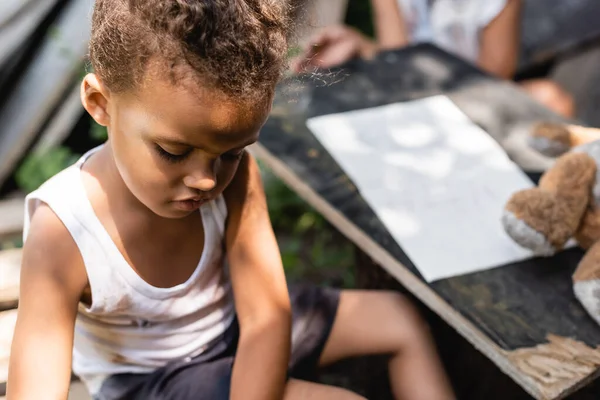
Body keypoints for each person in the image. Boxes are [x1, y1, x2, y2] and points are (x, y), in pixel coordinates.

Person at [6, 1, 455, 400]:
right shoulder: (64, 228)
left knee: (398, 319)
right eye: (174, 152)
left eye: (232, 152)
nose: (205, 180)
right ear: (101, 103)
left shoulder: (235, 178)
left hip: (238, 329)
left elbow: (266, 315)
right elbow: (37, 388)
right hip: (154, 381)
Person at [293, 0, 575, 119]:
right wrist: (360, 45)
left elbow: (489, 85)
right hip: (410, 90)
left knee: (551, 99)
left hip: (471, 99)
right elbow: (400, 63)